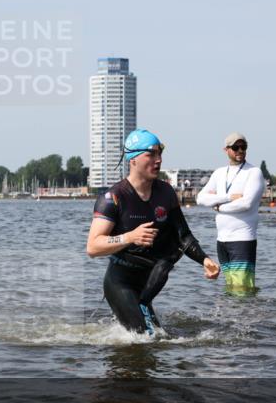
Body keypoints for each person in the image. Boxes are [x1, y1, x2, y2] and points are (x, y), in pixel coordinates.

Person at [87, 130, 220, 335]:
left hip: (149, 283)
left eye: (160, 153)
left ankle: (139, 312)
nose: (158, 160)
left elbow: (182, 236)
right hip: (121, 280)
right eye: (151, 154)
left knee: (158, 339)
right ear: (133, 159)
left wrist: (205, 260)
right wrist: (130, 237)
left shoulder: (165, 192)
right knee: (144, 338)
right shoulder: (113, 197)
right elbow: (93, 247)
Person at [196, 132, 265, 293]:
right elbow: (200, 198)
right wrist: (227, 197)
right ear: (226, 150)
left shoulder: (254, 172)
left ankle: (247, 317)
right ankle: (231, 318)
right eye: (236, 147)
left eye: (243, 147)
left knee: (242, 288)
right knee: (230, 287)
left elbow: (246, 203)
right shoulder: (219, 173)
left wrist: (220, 206)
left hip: (243, 238)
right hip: (222, 240)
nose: (240, 150)